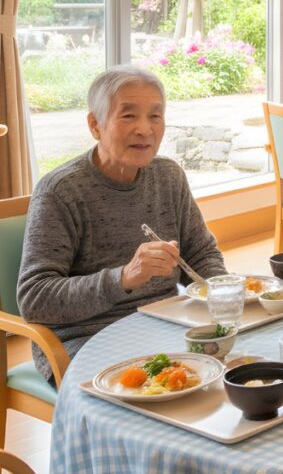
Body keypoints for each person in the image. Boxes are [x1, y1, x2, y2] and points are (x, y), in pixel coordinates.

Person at [17, 66, 228, 383]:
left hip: (165, 326)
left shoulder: (168, 176)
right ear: (95, 125)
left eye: (155, 117)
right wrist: (125, 278)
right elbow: (35, 299)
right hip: (87, 340)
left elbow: (200, 253)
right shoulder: (61, 192)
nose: (145, 129)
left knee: (248, 370)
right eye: (128, 116)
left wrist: (223, 296)